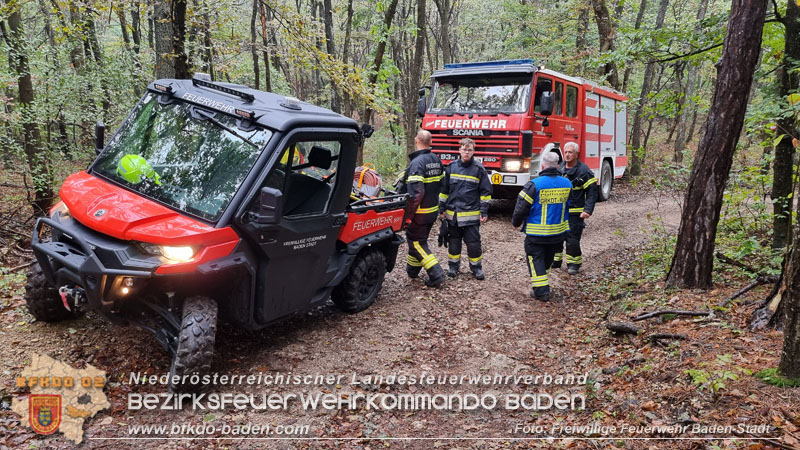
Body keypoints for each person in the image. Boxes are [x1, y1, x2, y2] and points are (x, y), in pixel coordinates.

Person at [511, 151, 570, 301]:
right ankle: (542, 285)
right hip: (558, 233)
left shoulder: (534, 185)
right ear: (557, 165)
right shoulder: (567, 183)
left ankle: (542, 292)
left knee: (535, 260)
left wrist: (516, 223)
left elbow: (521, 207)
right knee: (547, 259)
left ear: (543, 165)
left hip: (537, 234)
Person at [438, 138, 492, 280]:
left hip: (471, 215)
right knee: (454, 242)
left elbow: (485, 192)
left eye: (469, 150)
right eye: (464, 149)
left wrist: (484, 211)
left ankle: (476, 268)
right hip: (453, 214)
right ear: (459, 150)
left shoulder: (479, 169)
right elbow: (444, 190)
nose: (466, 152)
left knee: (474, 243)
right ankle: (453, 267)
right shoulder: (451, 167)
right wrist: (441, 208)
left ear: (473, 151)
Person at [399, 130, 446, 287]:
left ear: (416, 140)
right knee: (419, 241)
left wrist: (408, 216)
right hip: (432, 211)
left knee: (417, 243)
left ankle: (437, 274)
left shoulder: (417, 163)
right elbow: (442, 184)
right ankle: (412, 270)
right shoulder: (436, 160)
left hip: (419, 213)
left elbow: (416, 193)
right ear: (430, 142)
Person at [552, 142, 598, 275]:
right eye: (565, 152)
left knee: (572, 239)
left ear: (577, 154)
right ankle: (556, 261)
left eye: (570, 152)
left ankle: (574, 264)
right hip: (559, 211)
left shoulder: (584, 171)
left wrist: (588, 210)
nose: (567, 154)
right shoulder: (560, 168)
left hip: (575, 211)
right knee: (556, 236)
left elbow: (592, 192)